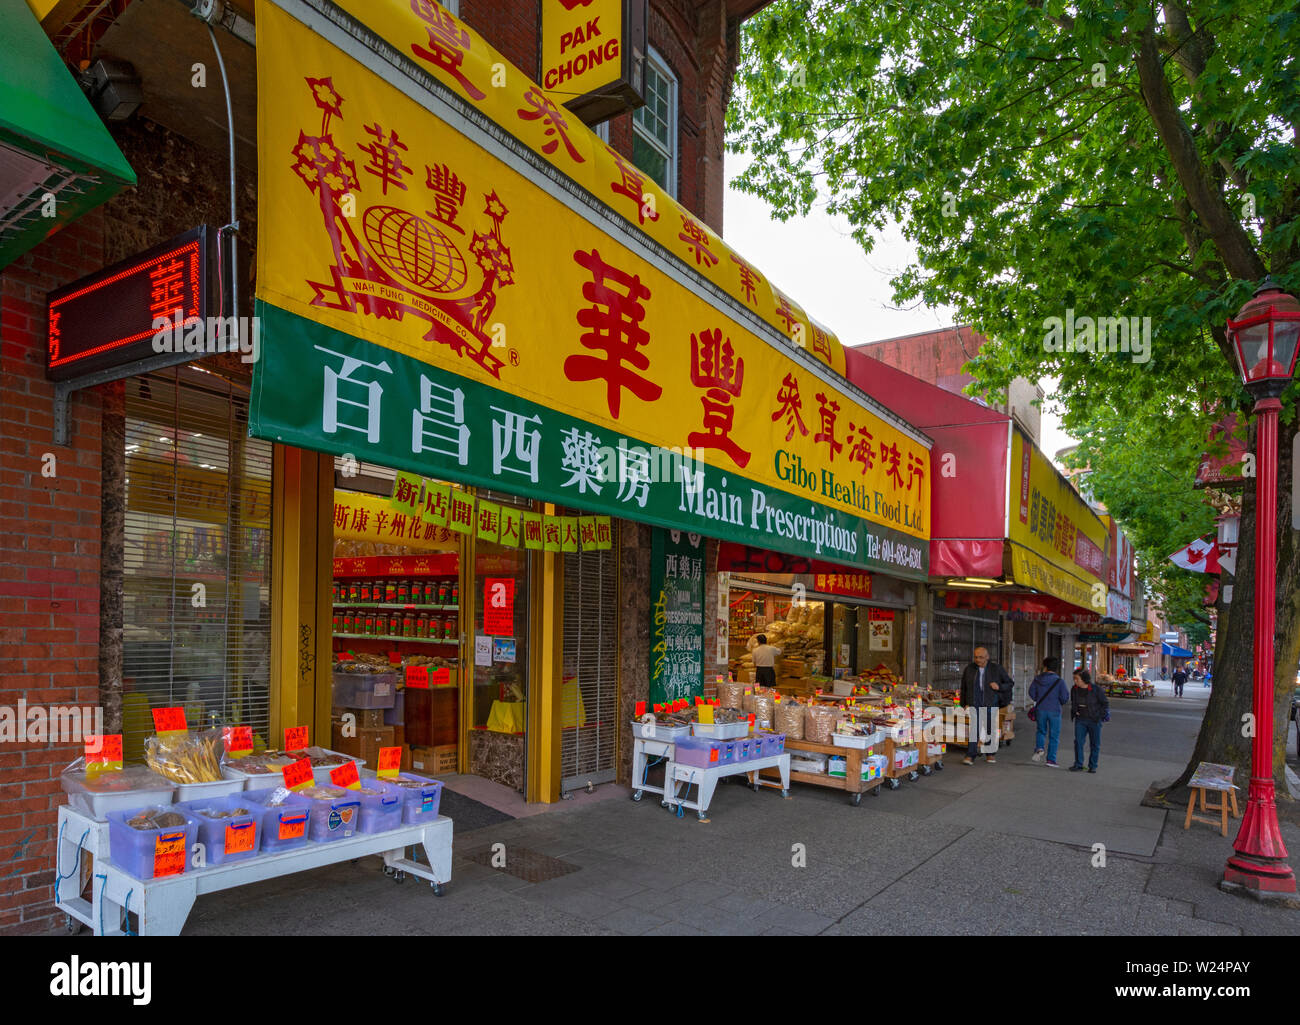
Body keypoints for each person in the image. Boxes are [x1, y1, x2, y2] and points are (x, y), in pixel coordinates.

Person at [959, 646, 1014, 765]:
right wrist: (963, 704)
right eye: (976, 657)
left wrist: (999, 687)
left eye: (981, 657)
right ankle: (970, 755)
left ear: (987, 657)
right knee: (974, 729)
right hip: (974, 703)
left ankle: (990, 753)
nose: (978, 660)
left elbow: (1010, 683)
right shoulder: (969, 669)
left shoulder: (996, 669)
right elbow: (963, 687)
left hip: (990, 703)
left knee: (990, 729)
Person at [1028, 656, 1070, 767]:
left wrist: (1038, 698)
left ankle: (1040, 747)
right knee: (1054, 736)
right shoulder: (1059, 681)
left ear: (1045, 667)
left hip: (1041, 709)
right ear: (1056, 668)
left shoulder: (1037, 679)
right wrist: (1058, 701)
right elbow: (1065, 697)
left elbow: (1031, 692)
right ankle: (1051, 760)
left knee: (1041, 731)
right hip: (1055, 710)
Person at [1068, 668, 1109, 773]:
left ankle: (1093, 765)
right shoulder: (1074, 689)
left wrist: (1099, 715)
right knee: (1078, 742)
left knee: (1095, 744)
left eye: (1077, 679)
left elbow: (1105, 703)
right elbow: (1073, 702)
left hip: (1094, 720)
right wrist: (1074, 711)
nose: (1075, 681)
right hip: (1080, 719)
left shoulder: (1096, 689)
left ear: (1084, 679)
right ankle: (1078, 764)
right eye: (1074, 679)